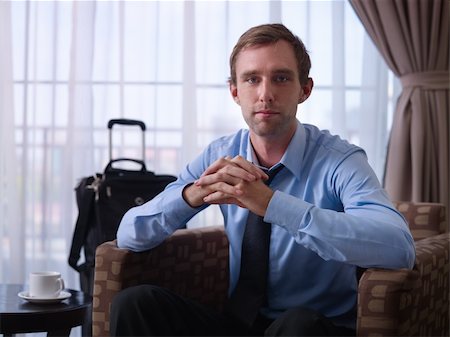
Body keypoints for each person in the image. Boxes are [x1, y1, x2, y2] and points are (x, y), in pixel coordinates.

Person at [110, 23, 415, 336]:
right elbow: (130, 235)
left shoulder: (341, 160)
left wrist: (271, 204)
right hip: (238, 324)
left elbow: (398, 247)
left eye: (280, 78)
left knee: (298, 325)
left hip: (313, 327)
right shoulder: (220, 155)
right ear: (235, 91)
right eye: (252, 79)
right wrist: (192, 194)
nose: (265, 94)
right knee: (135, 303)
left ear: (304, 90)